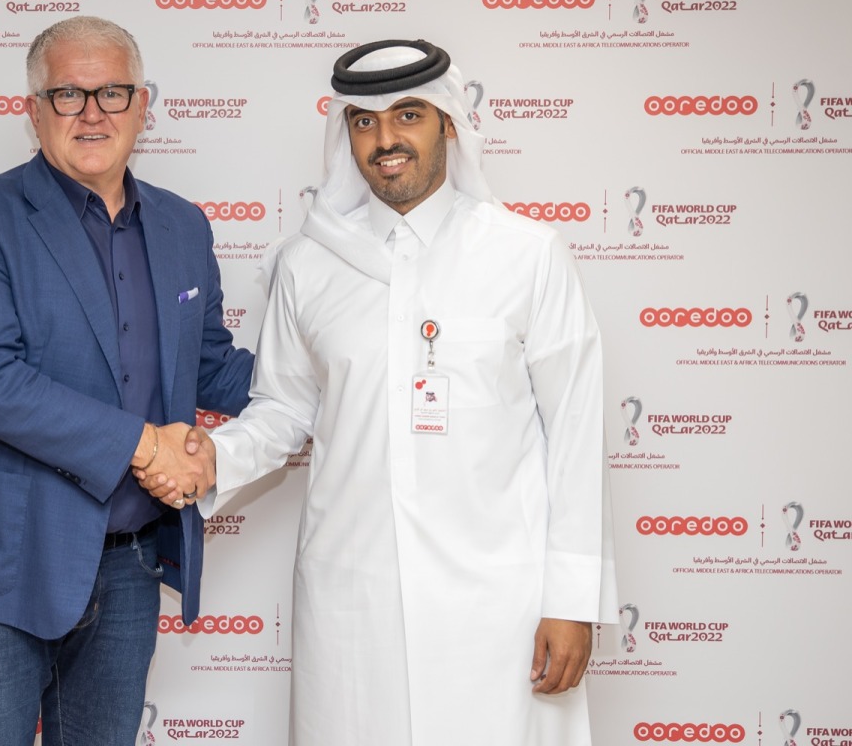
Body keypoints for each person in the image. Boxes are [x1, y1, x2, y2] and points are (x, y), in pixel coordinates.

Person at [141, 39, 617, 744]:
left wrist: (572, 601)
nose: (386, 138)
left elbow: (575, 430)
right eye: (365, 121)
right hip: (353, 596)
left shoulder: (526, 254)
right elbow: (282, 408)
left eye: (409, 115)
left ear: (448, 123)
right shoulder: (309, 264)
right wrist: (213, 458)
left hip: (498, 604)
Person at [0, 15, 252, 746]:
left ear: (143, 106)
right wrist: (144, 446)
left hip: (127, 562)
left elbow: (211, 364)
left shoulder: (185, 226)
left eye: (113, 93)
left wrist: (349, 375)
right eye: (67, 94)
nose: (93, 113)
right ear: (34, 112)